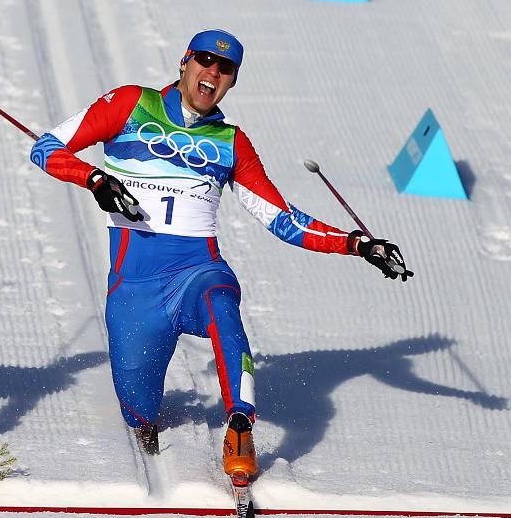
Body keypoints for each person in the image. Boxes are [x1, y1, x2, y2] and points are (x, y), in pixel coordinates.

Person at [29, 29, 409, 481]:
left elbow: (281, 218)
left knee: (222, 306)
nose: (212, 72)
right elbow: (45, 148)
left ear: (231, 82)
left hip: (197, 271)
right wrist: (94, 180)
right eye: (205, 60)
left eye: (225, 68)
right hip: (135, 287)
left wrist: (356, 243)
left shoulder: (231, 142)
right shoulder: (130, 104)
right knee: (137, 411)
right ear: (184, 63)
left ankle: (240, 425)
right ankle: (145, 415)